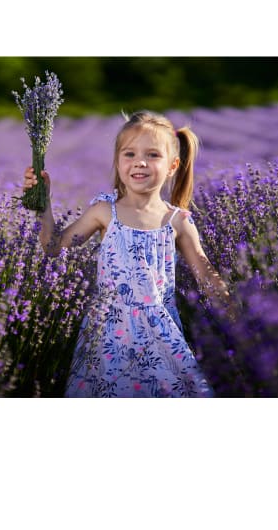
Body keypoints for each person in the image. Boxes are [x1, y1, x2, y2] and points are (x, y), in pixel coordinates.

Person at [22, 110, 231, 397]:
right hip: (108, 336)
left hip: (159, 335)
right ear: (118, 162)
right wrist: (42, 203)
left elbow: (206, 275)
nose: (139, 162)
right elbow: (53, 247)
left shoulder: (177, 220)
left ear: (172, 166)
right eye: (129, 154)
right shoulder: (104, 211)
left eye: (153, 155)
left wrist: (236, 313)